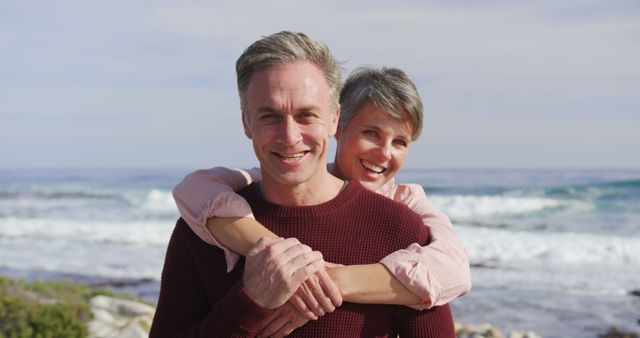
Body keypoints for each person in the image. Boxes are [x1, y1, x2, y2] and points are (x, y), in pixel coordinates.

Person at [150, 31, 457, 337]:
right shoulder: (205, 228)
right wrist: (250, 302)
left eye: (306, 115)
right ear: (246, 122)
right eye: (270, 116)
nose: (290, 137)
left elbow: (451, 268)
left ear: (334, 119)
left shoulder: (401, 231)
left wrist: (322, 280)